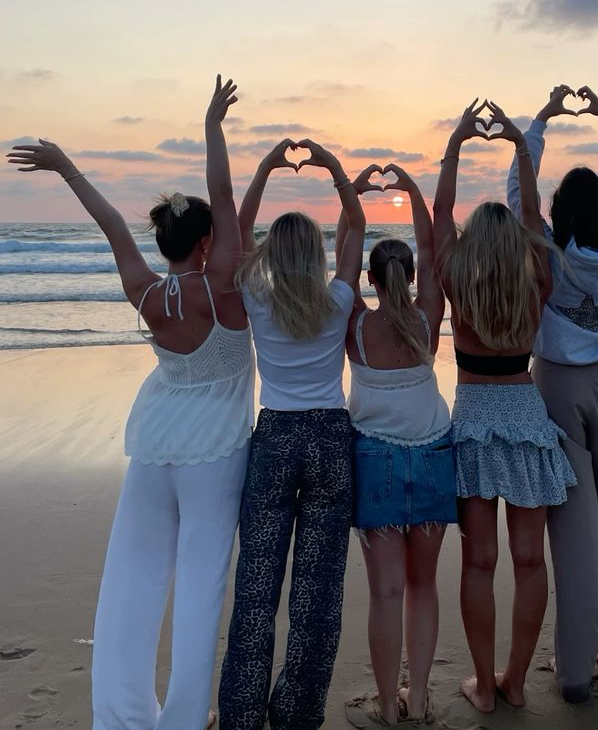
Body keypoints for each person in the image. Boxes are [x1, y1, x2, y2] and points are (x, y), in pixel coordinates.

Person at [7, 76, 254, 730]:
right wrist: (212, 124)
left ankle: (120, 714)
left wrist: (64, 166)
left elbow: (110, 220)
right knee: (200, 585)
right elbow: (225, 194)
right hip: (214, 450)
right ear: (205, 242)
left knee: (130, 581)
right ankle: (179, 719)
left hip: (154, 442)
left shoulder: (145, 289)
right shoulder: (224, 287)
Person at [506, 84, 598, 704]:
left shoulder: (544, 250)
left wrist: (540, 120)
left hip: (556, 387)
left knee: (571, 528)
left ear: (559, 211)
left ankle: (573, 673)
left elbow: (519, 191)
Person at [433, 99, 576, 714]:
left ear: (471, 244)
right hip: (524, 416)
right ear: (516, 238)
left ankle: (483, 688)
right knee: (527, 559)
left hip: (473, 419)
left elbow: (440, 212)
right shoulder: (535, 274)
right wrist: (520, 147)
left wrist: (457, 145)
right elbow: (534, 210)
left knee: (480, 560)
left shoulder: (455, 273)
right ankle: (514, 679)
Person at [218, 139, 366, 730]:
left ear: (272, 256)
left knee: (257, 584)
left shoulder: (256, 294)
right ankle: (299, 714)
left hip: (276, 436)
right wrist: (332, 166)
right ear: (318, 252)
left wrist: (265, 169)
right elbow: (355, 223)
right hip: (331, 438)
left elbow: (237, 231)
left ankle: (242, 716)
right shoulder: (336, 298)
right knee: (318, 593)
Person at [339, 164, 456, 728]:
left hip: (377, 460)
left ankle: (388, 705)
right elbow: (433, 251)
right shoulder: (428, 319)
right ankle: (421, 693)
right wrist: (411, 190)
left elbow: (343, 250)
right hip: (434, 455)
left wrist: (352, 194)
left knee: (385, 592)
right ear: (409, 278)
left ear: (369, 279)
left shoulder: (356, 326)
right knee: (422, 586)